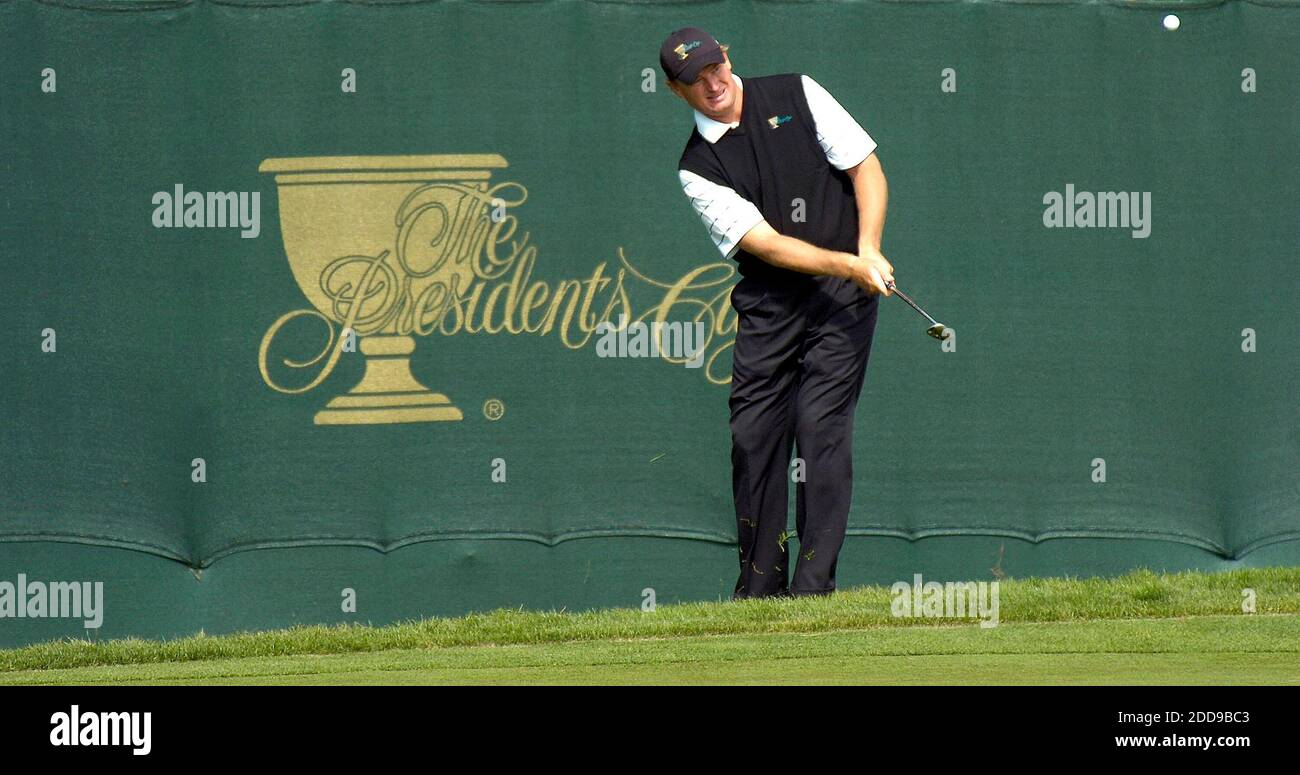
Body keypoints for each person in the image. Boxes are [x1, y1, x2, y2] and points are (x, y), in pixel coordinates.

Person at [661, 27, 895, 599]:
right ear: (676, 90)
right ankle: (761, 591)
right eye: (695, 79)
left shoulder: (798, 93)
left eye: (716, 68)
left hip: (843, 300)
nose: (712, 84)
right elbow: (764, 243)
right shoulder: (697, 166)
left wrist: (868, 247)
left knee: (820, 428)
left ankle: (813, 590)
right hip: (771, 305)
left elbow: (866, 168)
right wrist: (847, 263)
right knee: (753, 435)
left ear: (728, 57)